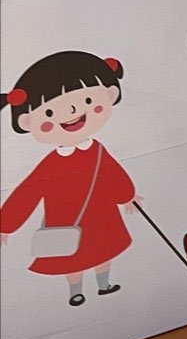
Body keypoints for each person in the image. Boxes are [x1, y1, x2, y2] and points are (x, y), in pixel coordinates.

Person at [0, 52, 139, 307]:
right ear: (27, 122)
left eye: (88, 99)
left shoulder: (96, 150)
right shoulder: (51, 163)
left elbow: (112, 173)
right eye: (50, 112)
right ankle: (76, 290)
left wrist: (126, 195)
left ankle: (104, 283)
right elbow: (28, 192)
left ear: (109, 94)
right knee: (71, 256)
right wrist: (6, 223)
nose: (73, 111)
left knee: (104, 249)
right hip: (65, 216)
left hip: (101, 211)